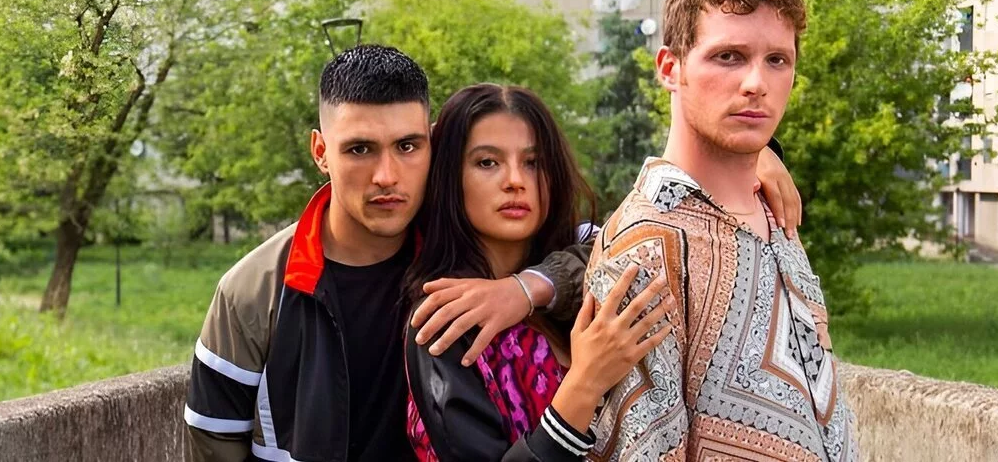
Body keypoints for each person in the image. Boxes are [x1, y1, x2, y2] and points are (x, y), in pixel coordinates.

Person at [184, 44, 803, 461]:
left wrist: (745, 160)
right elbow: (213, 443)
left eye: (407, 146)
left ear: (431, 149)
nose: (386, 175)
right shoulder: (256, 292)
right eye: (359, 150)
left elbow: (614, 240)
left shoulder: (459, 250)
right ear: (322, 151)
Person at [582, 0, 857, 462]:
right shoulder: (648, 245)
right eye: (728, 56)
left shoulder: (775, 212)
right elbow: (644, 449)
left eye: (777, 60)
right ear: (670, 68)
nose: (757, 83)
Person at [402, 84, 670, 461]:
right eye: (487, 162)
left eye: (533, 162)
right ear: (450, 176)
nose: (515, 180)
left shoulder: (584, 273)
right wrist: (584, 385)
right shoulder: (447, 318)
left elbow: (636, 254)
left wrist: (528, 288)